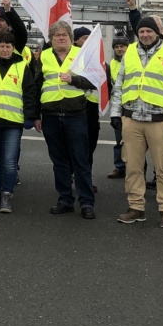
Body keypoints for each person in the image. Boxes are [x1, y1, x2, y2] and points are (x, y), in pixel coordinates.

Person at [111, 16, 163, 229]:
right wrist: (116, 114)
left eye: (149, 31)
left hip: (160, 121)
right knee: (133, 167)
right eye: (142, 31)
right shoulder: (130, 53)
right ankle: (136, 207)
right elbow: (120, 85)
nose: (145, 35)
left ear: (157, 33)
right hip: (132, 118)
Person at [36, 21, 97, 219]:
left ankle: (86, 202)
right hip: (51, 115)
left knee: (80, 161)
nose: (61, 38)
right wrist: (35, 115)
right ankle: (65, 199)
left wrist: (74, 80)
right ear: (51, 39)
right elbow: (35, 86)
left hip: (75, 115)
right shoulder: (43, 56)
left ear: (71, 38)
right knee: (59, 161)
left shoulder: (81, 54)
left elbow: (94, 81)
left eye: (64, 35)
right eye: (57, 35)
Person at [0, 32, 38, 214]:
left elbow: (30, 92)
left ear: (13, 48)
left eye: (8, 46)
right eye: (1, 46)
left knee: (9, 162)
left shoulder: (22, 66)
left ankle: (7, 194)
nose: (4, 50)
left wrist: (30, 116)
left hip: (13, 121)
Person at [73, 26, 102, 191]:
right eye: (84, 38)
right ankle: (75, 177)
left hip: (91, 109)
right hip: (75, 106)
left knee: (89, 148)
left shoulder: (97, 59)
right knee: (75, 148)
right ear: (76, 40)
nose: (88, 41)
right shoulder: (70, 59)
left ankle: (85, 180)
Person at [106, 35, 130, 179]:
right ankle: (119, 167)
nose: (119, 49)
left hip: (131, 105)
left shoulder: (134, 60)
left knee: (136, 143)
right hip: (118, 107)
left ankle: (135, 168)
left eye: (122, 46)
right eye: (117, 47)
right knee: (119, 140)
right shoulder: (112, 64)